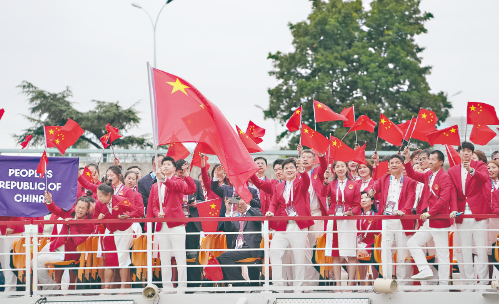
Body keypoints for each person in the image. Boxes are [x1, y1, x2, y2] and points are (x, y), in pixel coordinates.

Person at [403, 148, 453, 287]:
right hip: (429, 220)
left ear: (441, 162)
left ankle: (443, 286)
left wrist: (430, 213)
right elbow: (412, 174)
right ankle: (425, 269)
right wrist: (407, 158)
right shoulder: (429, 174)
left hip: (438, 220)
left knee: (442, 254)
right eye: (429, 159)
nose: (429, 162)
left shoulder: (445, 176)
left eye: (432, 159)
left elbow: (444, 199)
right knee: (413, 243)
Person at [147, 156, 197, 294]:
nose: (165, 166)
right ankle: (167, 286)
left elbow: (179, 187)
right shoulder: (155, 186)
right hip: (162, 225)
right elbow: (154, 205)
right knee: (164, 256)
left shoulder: (177, 180)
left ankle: (182, 286)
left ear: (175, 168)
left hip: (176, 223)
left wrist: (164, 179)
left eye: (168, 164)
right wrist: (157, 214)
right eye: (163, 164)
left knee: (180, 256)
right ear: (161, 168)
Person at [265, 158, 314, 290]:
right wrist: (270, 212)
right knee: (274, 251)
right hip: (282, 226)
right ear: (283, 171)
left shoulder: (301, 182)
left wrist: (303, 171)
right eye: (286, 168)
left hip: (298, 225)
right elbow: (273, 203)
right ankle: (278, 286)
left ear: (296, 169)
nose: (289, 170)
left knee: (298, 258)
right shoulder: (278, 187)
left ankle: (298, 288)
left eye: (291, 167)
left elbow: (306, 182)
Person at [448, 141, 491, 288]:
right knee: (465, 249)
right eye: (463, 151)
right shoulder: (452, 171)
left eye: (468, 151)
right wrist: (453, 209)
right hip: (462, 214)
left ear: (472, 153)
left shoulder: (480, 166)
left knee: (481, 249)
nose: (465, 153)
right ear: (459, 153)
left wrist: (471, 170)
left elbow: (485, 178)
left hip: (478, 213)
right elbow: (453, 192)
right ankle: (469, 283)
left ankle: (484, 282)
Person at [368, 154, 416, 284]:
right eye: (391, 163)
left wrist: (404, 211)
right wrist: (371, 191)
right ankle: (387, 278)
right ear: (388, 166)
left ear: (402, 165)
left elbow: (411, 199)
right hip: (386, 218)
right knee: (385, 249)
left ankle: (402, 282)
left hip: (402, 219)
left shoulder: (410, 181)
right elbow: (373, 187)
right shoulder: (384, 179)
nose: (394, 165)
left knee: (401, 251)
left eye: (397, 162)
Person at [38, 192, 94, 290]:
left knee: (37, 262)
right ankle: (52, 286)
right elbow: (55, 209)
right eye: (79, 207)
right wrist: (49, 200)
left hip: (68, 253)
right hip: (55, 245)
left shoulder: (88, 225)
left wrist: (71, 224)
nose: (80, 210)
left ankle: (50, 288)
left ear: (87, 210)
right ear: (75, 206)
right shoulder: (70, 212)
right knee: (33, 262)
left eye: (83, 208)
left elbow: (77, 241)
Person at [94, 181, 143, 290]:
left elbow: (138, 211)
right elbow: (94, 218)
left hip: (123, 230)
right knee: (109, 259)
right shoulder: (98, 203)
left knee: (123, 258)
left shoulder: (121, 200)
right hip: (110, 231)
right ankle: (106, 288)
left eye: (101, 196)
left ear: (108, 194)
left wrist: (128, 215)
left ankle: (123, 288)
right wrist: (99, 218)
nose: (99, 198)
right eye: (98, 196)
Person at [321, 160, 361, 288]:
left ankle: (350, 283)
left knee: (351, 252)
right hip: (334, 219)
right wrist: (325, 182)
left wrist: (352, 212)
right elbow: (323, 194)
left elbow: (357, 204)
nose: (340, 168)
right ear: (334, 169)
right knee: (336, 253)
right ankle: (338, 284)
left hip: (349, 220)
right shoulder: (331, 183)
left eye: (342, 166)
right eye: (337, 166)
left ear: (347, 168)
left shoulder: (354, 184)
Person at [217, 196, 263, 286]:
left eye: (241, 203)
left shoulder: (254, 212)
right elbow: (228, 229)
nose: (239, 206)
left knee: (225, 257)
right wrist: (227, 211)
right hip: (238, 247)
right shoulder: (235, 215)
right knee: (219, 259)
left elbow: (260, 218)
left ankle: (239, 284)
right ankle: (237, 283)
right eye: (237, 204)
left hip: (251, 247)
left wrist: (248, 206)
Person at [356, 191, 380, 284]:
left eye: (366, 197)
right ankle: (360, 283)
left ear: (372, 201)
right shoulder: (357, 216)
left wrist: (368, 248)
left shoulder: (377, 216)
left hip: (371, 246)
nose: (363, 200)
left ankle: (376, 282)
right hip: (358, 245)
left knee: (374, 252)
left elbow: (378, 237)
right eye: (361, 198)